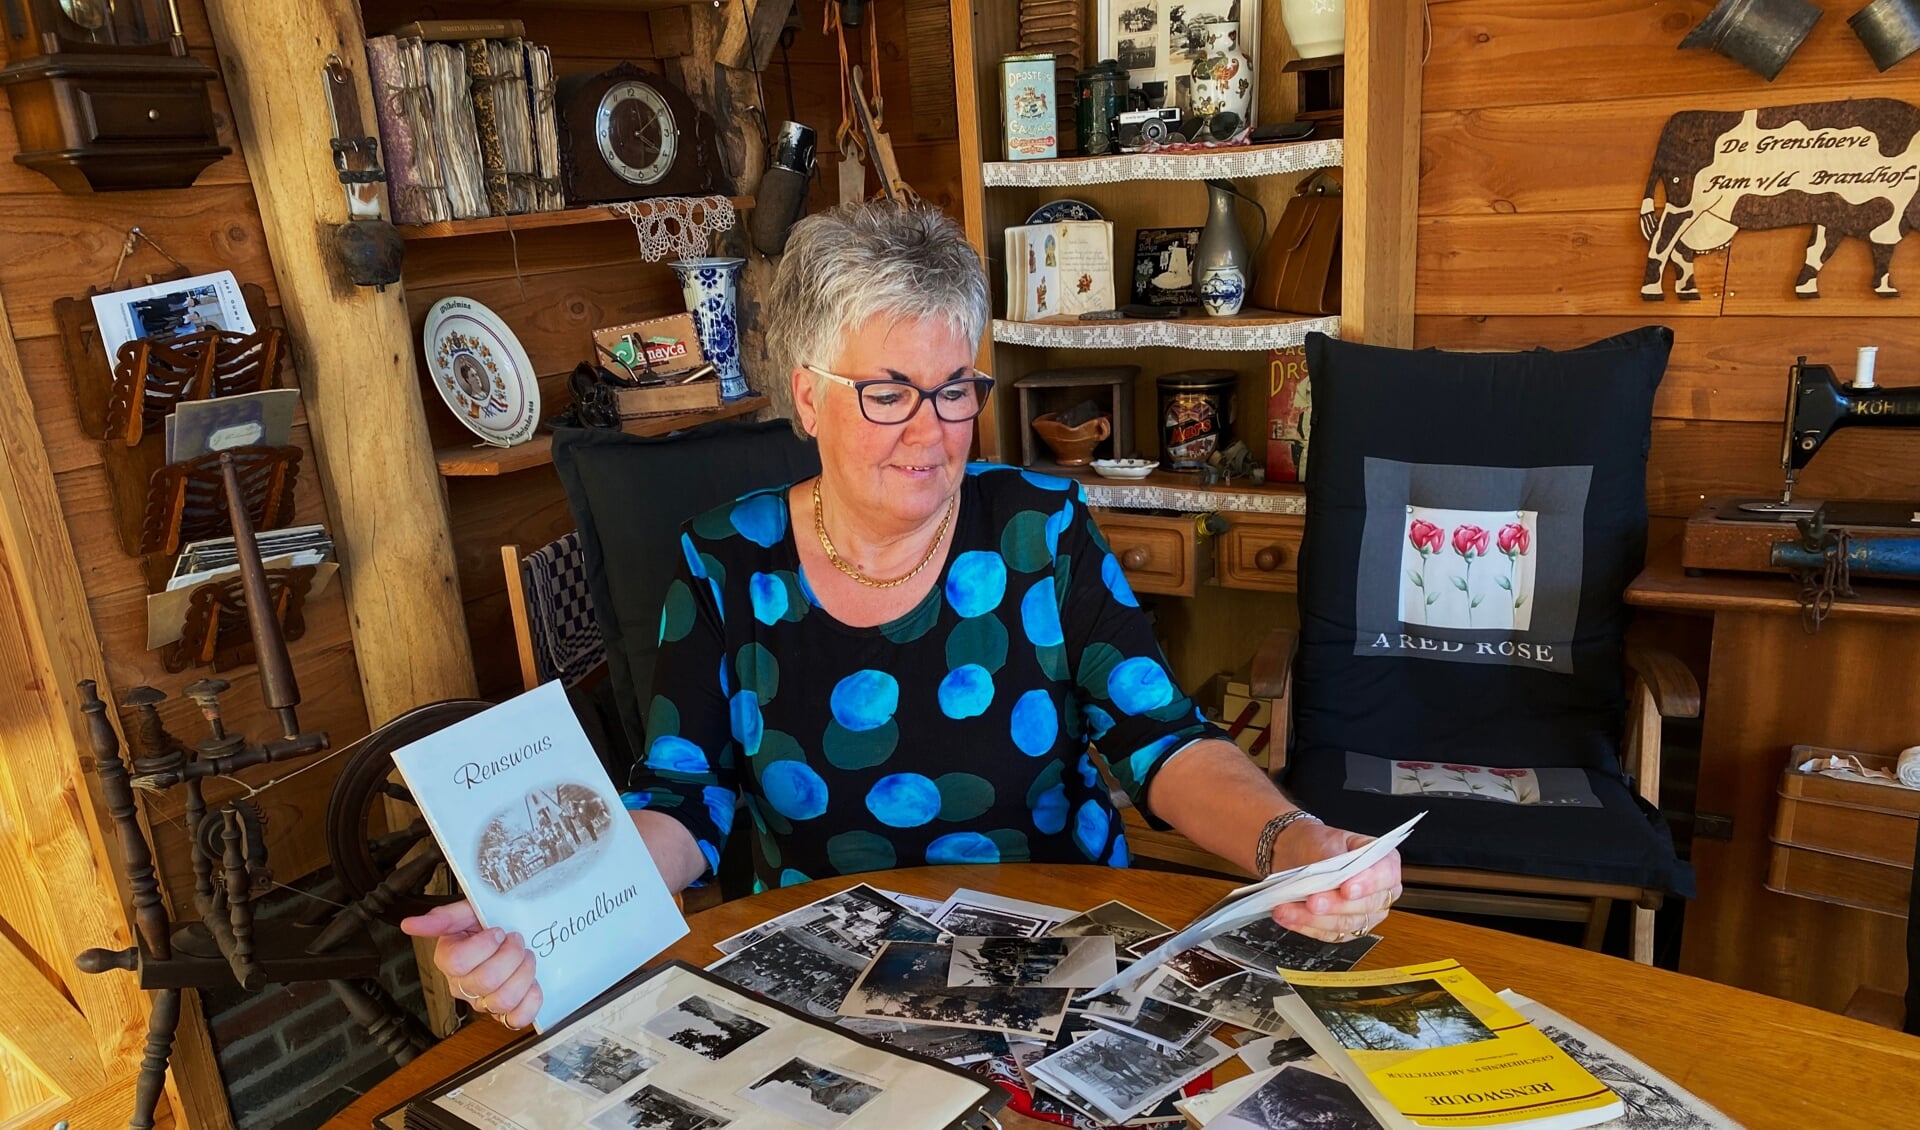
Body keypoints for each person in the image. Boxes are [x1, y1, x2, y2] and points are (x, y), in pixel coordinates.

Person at [403, 202, 1401, 1029]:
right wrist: (551, 920)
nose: (932, 428)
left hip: (1052, 968)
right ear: (807, 394)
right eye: (888, 391)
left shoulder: (1038, 529)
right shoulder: (725, 558)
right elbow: (682, 798)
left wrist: (1289, 840)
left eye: (954, 386)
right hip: (823, 981)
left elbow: (1159, 735)